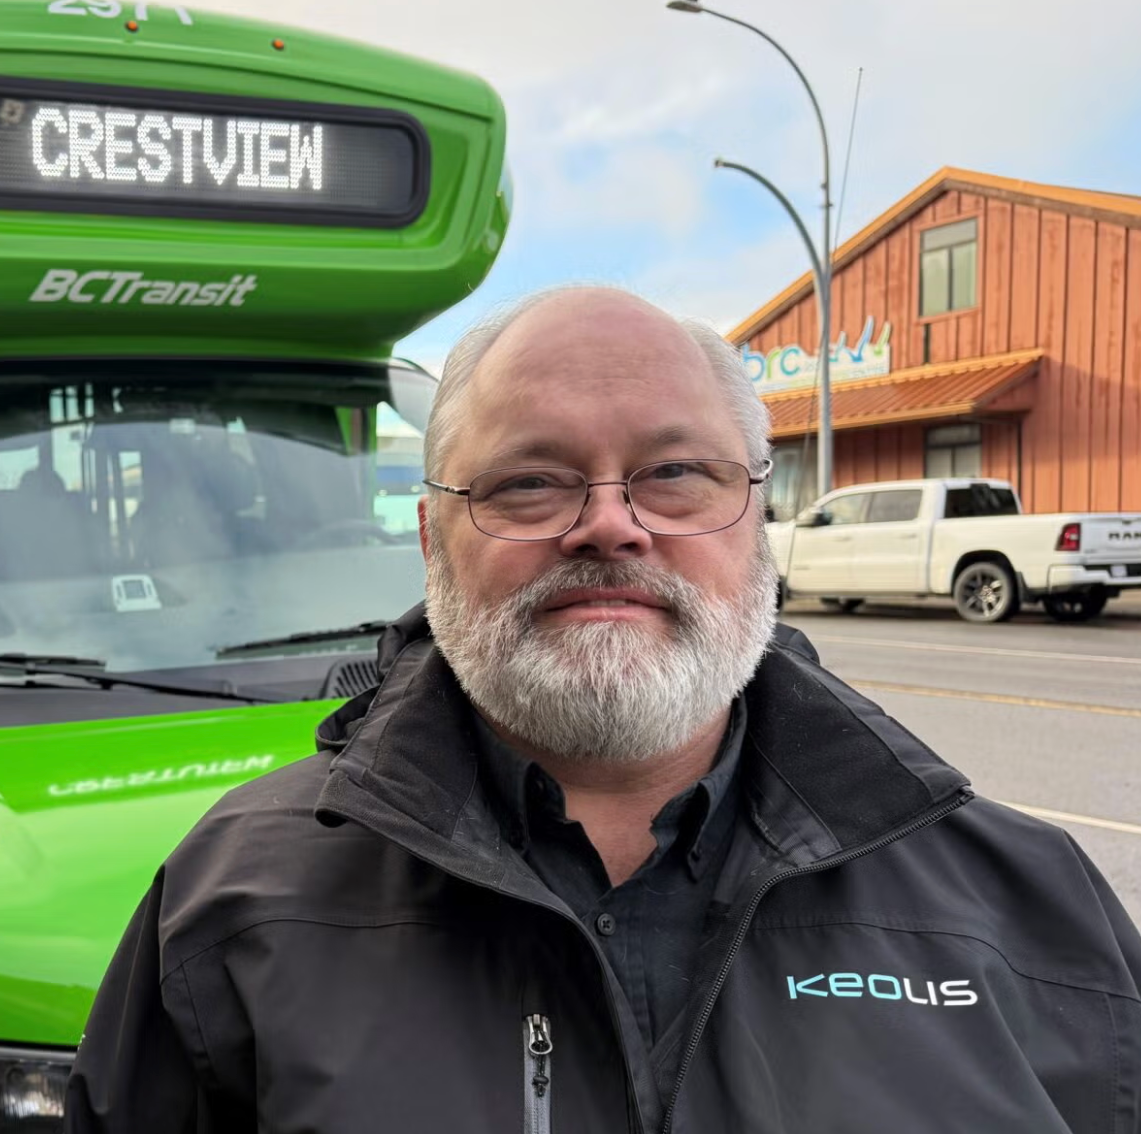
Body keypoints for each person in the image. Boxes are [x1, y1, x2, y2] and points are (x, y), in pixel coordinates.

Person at [64, 287, 1141, 1132]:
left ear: (754, 526)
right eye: (530, 483)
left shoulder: (1033, 914)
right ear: (435, 541)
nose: (611, 526)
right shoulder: (232, 905)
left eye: (674, 474)